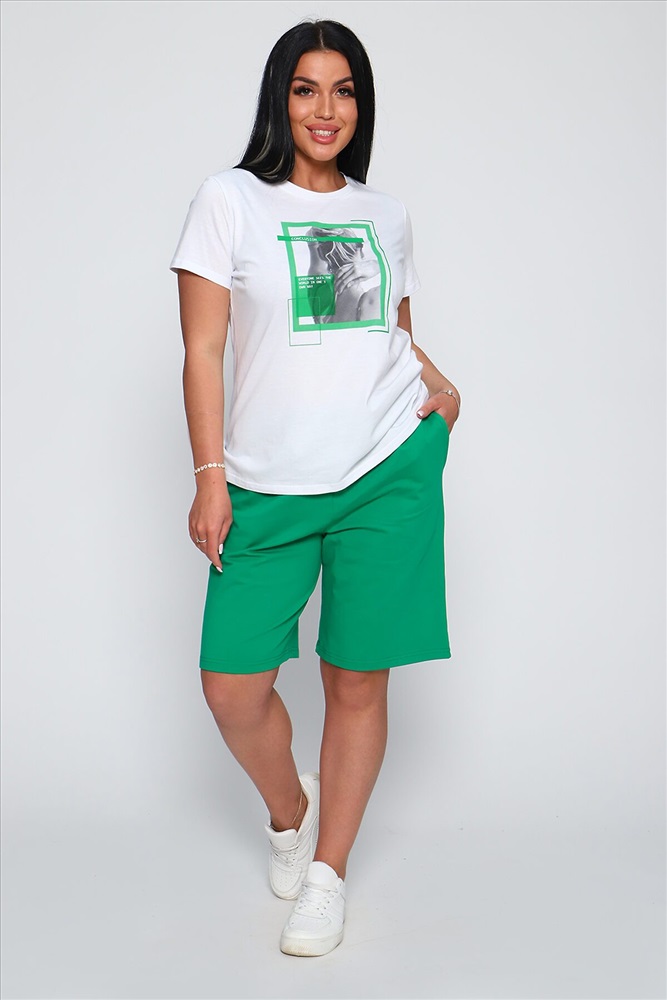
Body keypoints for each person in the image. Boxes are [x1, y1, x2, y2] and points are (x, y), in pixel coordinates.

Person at [169, 18, 461, 958]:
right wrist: (210, 477)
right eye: (305, 89)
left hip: (384, 472)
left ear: (360, 105)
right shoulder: (229, 200)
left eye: (343, 90)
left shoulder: (385, 214)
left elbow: (383, 333)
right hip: (265, 484)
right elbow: (203, 350)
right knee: (231, 686)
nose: (325, 109)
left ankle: (327, 873)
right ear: (279, 99)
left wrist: (442, 395)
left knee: (355, 678)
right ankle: (289, 814)